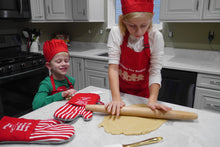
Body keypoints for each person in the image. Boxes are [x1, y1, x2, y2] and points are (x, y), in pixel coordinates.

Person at [106, 0, 172, 116]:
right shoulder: (116, 33)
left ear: (151, 20)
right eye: (132, 26)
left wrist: (152, 99)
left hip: (144, 95)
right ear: (123, 20)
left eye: (144, 25)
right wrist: (116, 98)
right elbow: (113, 68)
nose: (139, 31)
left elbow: (155, 71)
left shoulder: (155, 37)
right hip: (120, 93)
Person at [32, 39, 77, 110]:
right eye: (59, 61)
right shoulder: (46, 84)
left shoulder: (71, 81)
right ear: (49, 66)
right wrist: (61, 95)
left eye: (66, 61)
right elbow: (36, 105)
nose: (64, 64)